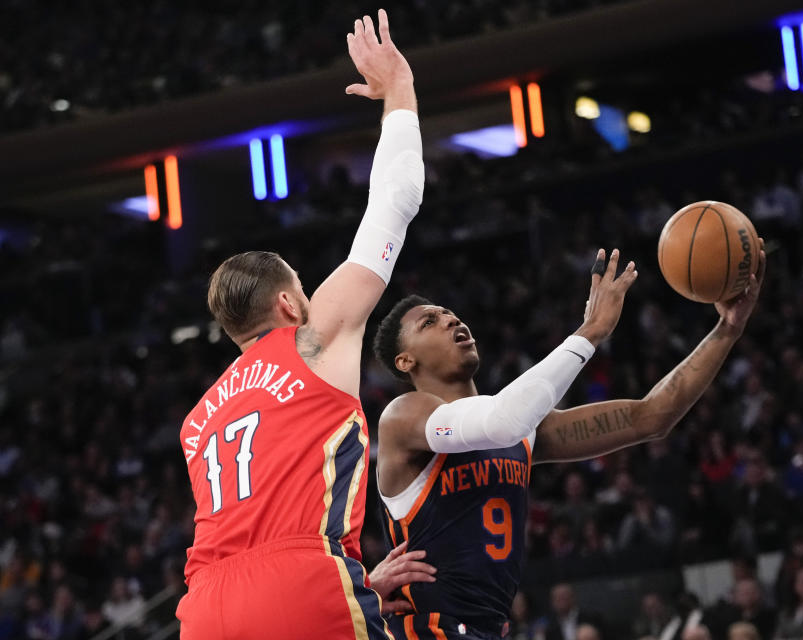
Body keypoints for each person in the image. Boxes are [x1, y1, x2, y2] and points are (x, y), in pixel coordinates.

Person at [175, 11, 433, 640]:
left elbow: (254, 539)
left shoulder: (198, 421)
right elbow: (395, 201)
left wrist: (362, 585)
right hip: (298, 584)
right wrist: (398, 89)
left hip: (204, 609)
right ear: (290, 305)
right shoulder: (312, 340)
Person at [373, 244, 766, 639]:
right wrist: (590, 331)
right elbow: (501, 421)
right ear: (406, 361)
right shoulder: (403, 418)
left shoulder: (522, 428)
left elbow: (653, 416)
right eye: (429, 322)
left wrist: (727, 329)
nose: (449, 320)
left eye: (449, 314)